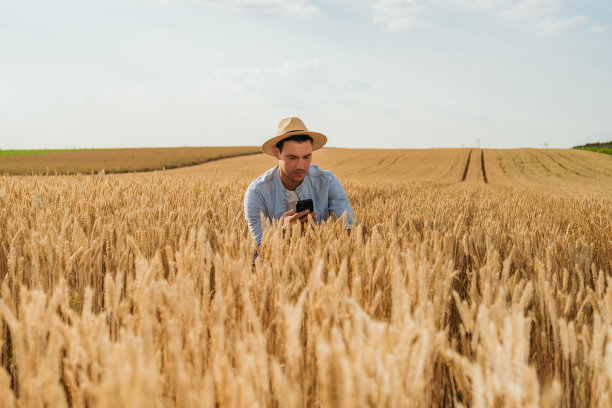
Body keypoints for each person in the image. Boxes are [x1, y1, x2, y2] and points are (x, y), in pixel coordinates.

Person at [244, 117, 354, 249]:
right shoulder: (257, 193)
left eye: (307, 157)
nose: (301, 166)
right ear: (276, 153)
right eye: (292, 158)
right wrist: (281, 232)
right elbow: (257, 250)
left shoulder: (328, 181)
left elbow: (350, 232)